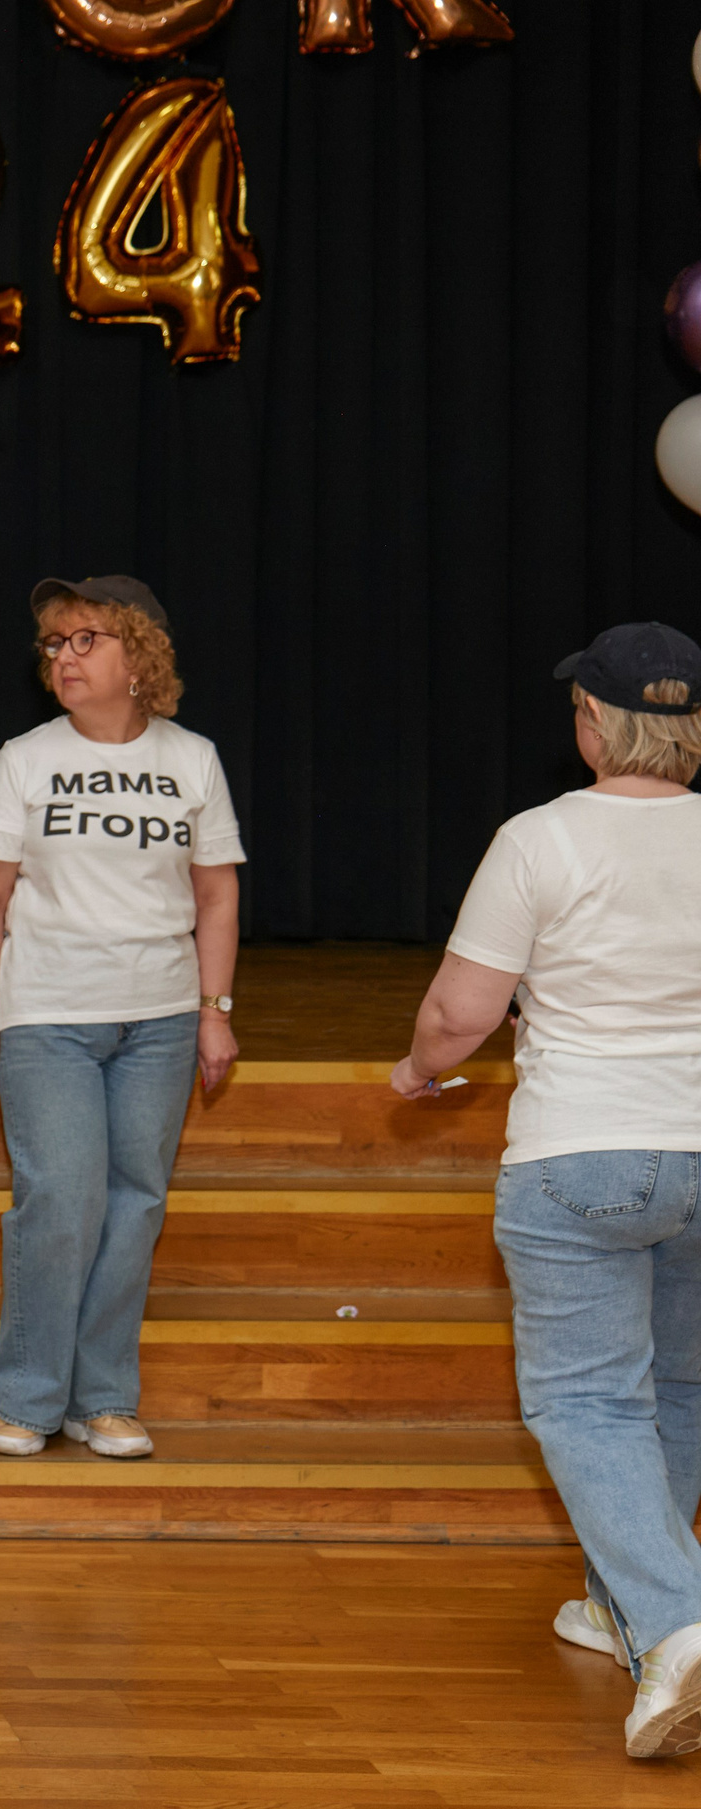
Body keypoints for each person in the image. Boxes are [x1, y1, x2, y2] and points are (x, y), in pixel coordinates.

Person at [388, 621, 701, 1760]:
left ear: (592, 725)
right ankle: (625, 1607)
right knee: (680, 1385)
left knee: (586, 1403)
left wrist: (418, 1070)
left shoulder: (540, 838)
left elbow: (461, 1013)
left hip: (582, 1155)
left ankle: (676, 1625)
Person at [0, 576, 244, 1462]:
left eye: (87, 639)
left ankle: (106, 1396)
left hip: (160, 1017)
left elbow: (216, 894)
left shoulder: (193, 759)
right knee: (61, 1196)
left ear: (140, 656)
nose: (65, 657)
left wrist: (214, 1009)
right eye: (56, 643)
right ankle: (29, 1396)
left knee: (135, 1202)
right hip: (48, 1014)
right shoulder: (24, 758)